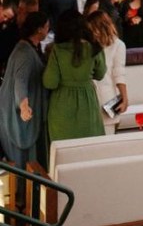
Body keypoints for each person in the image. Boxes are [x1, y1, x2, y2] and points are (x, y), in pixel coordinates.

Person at [0, 11, 49, 188]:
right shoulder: (25, 52)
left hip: (18, 114)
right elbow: (20, 80)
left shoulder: (28, 47)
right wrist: (24, 106)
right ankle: (22, 198)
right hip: (18, 117)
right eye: (46, 26)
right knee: (22, 161)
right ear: (38, 29)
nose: (48, 29)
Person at [43, 10, 106, 142]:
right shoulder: (94, 47)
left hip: (62, 103)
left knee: (64, 149)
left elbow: (50, 82)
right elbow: (100, 74)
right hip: (87, 102)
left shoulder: (58, 50)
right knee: (89, 146)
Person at [85, 10, 128, 134]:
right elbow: (118, 74)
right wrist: (124, 98)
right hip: (105, 98)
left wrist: (124, 98)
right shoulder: (118, 45)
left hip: (99, 99)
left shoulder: (89, 45)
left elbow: (119, 74)